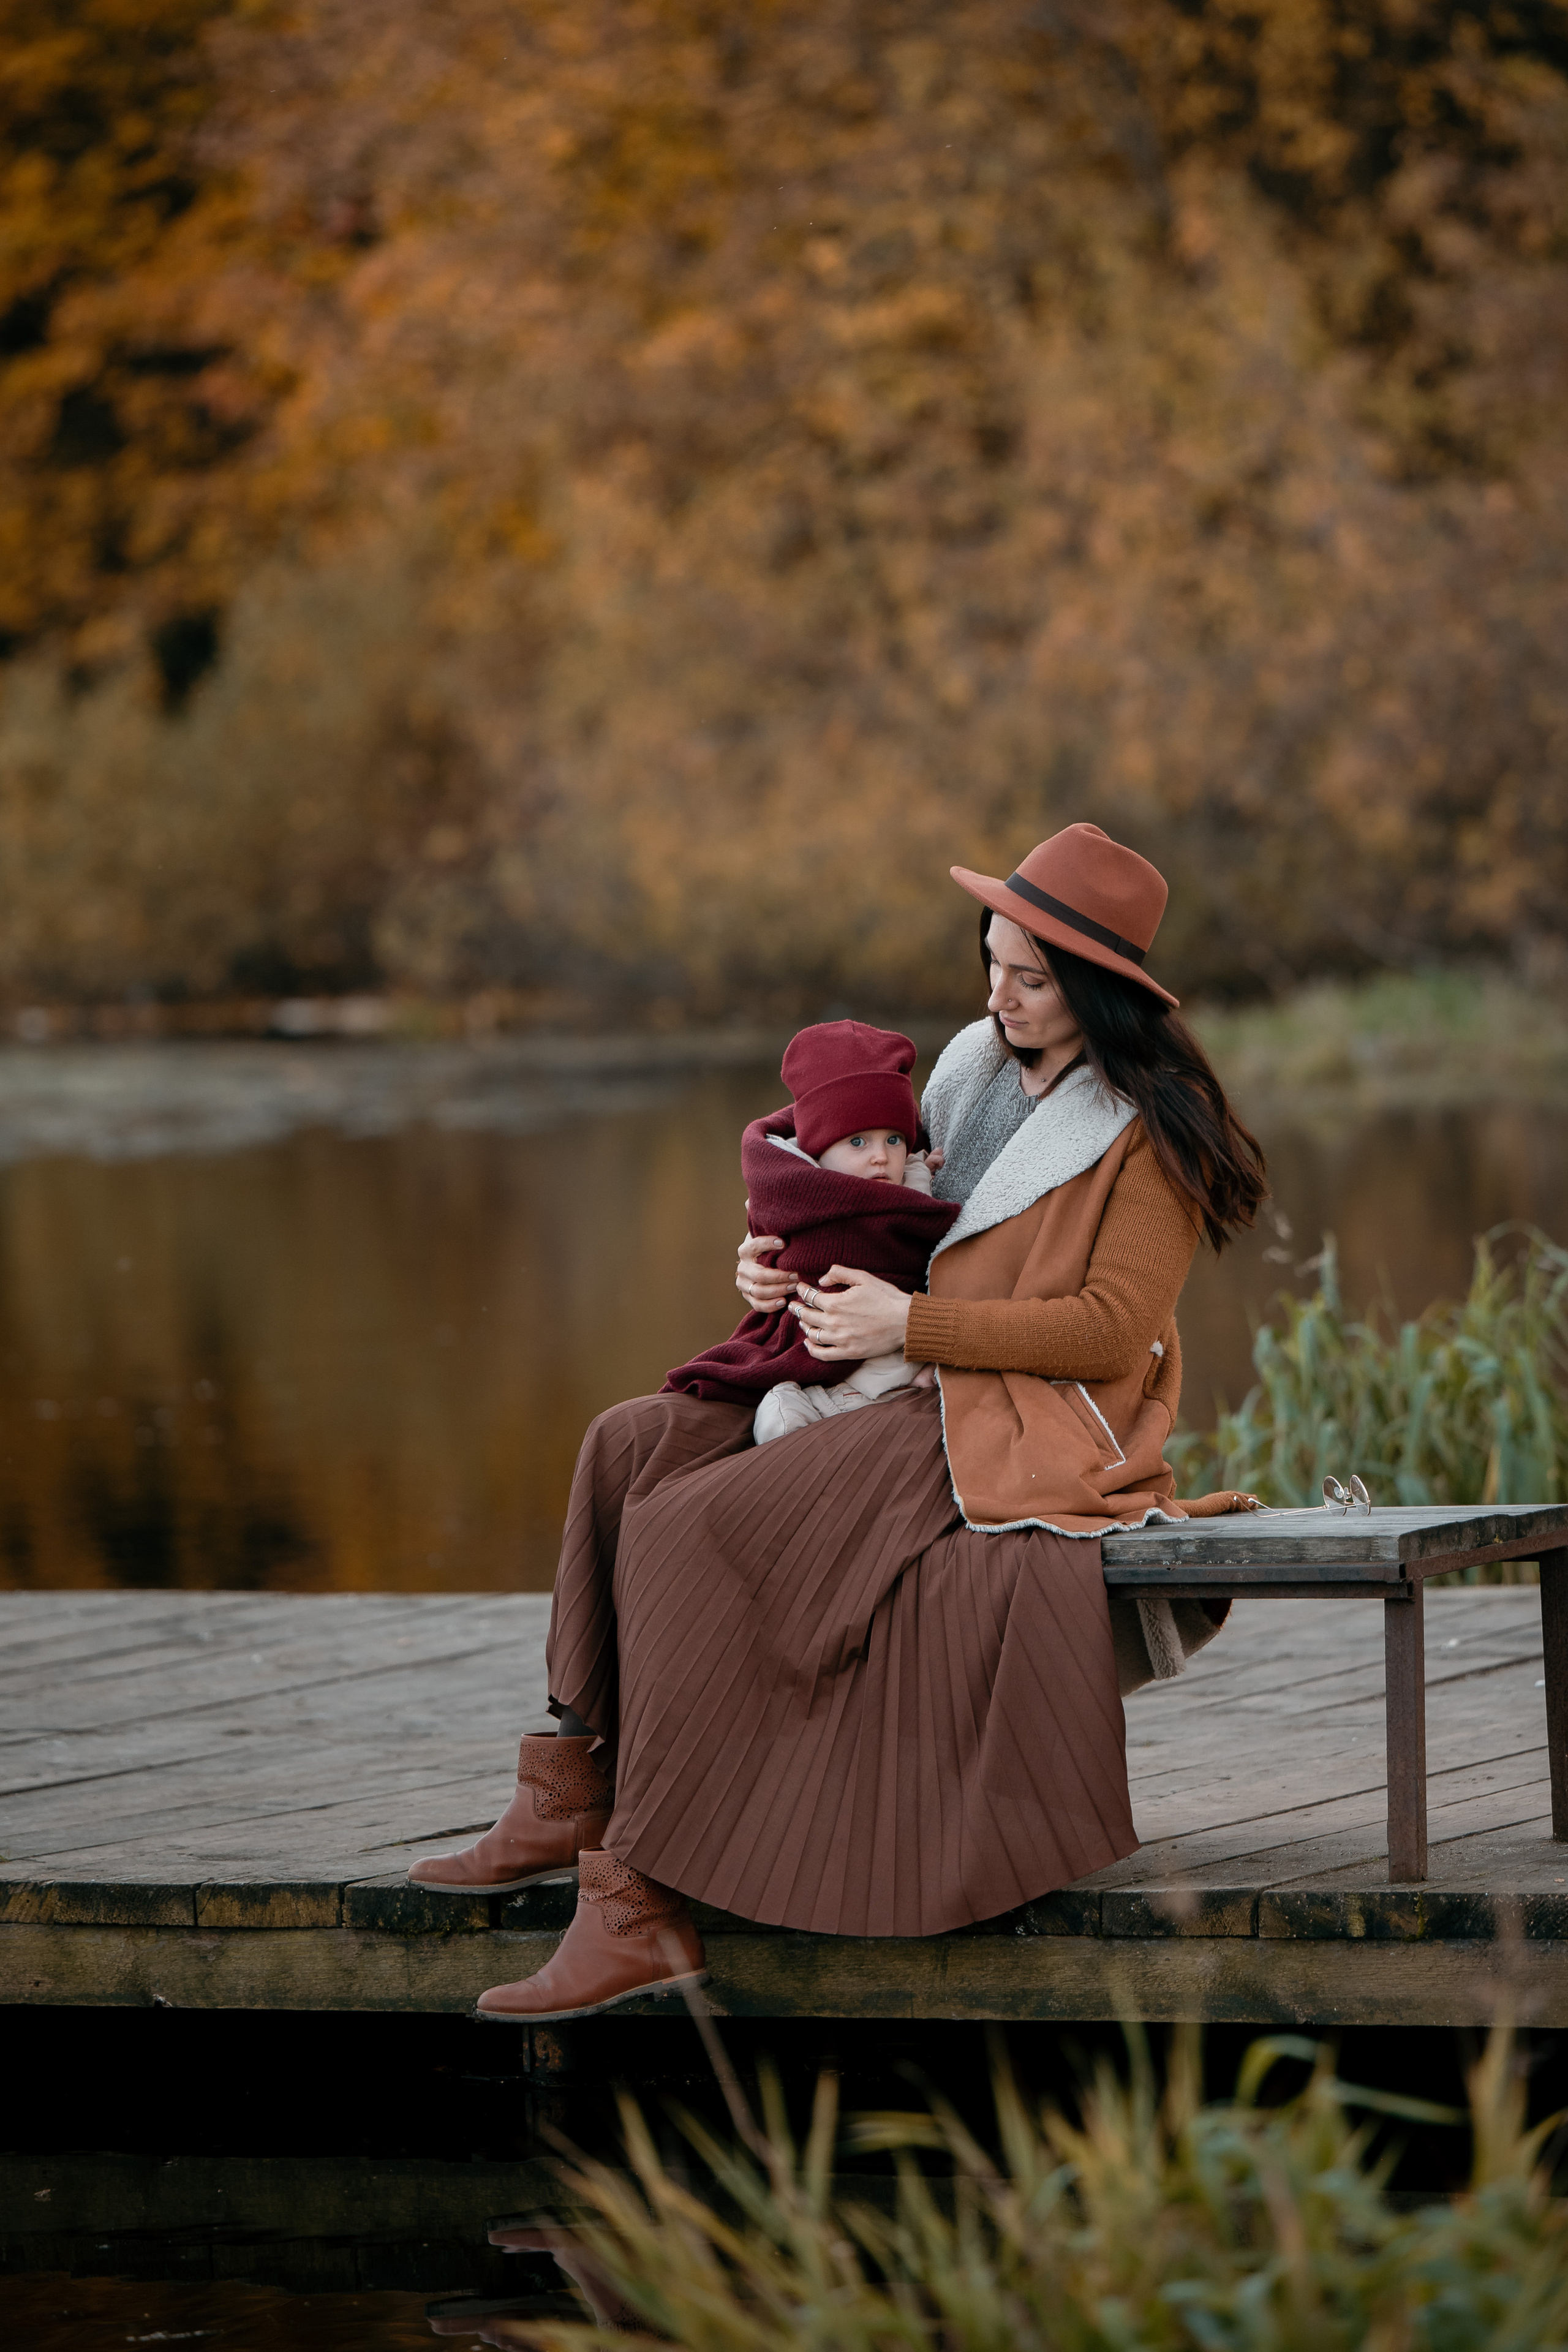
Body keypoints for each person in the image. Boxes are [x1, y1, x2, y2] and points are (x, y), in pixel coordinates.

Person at [405, 822, 1267, 2022]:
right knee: (627, 1445)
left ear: (1097, 986)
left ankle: (641, 1903)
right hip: (887, 1371)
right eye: (991, 960)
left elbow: (1106, 1337)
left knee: (689, 1529)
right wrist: (771, 1270)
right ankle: (568, 1788)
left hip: (1012, 1416)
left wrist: (906, 1332)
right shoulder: (967, 1073)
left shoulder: (1146, 1131)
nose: (998, 993)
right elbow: (876, 1209)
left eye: (1028, 975)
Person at [658, 1018, 959, 1444]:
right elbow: (780, 1252)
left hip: (901, 1356)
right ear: (817, 1152)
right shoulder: (801, 1198)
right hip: (814, 1340)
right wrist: (760, 1261)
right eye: (858, 1143)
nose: (880, 1158)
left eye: (894, 1140)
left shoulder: (912, 1186)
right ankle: (793, 1409)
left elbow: (924, 1235)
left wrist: (919, 1176)